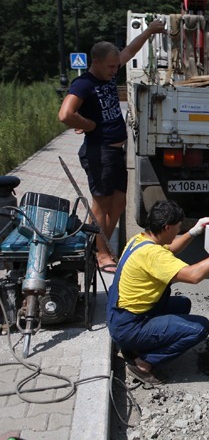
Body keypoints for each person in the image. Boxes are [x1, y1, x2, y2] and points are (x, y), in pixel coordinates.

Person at [58, 19, 166, 273]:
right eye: (110, 66)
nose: (114, 70)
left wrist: (149, 31)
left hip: (117, 150)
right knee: (101, 205)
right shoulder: (84, 83)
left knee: (118, 204)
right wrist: (87, 123)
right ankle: (102, 253)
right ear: (95, 62)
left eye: (116, 66)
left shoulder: (110, 69)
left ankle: (99, 246)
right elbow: (65, 114)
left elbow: (129, 50)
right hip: (100, 152)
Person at [106, 200, 209, 385]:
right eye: (178, 227)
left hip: (119, 317)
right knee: (199, 328)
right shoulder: (153, 255)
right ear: (167, 227)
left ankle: (134, 348)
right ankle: (143, 365)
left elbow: (171, 247)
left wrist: (195, 231)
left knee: (183, 304)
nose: (179, 231)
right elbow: (194, 276)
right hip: (129, 326)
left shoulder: (141, 240)